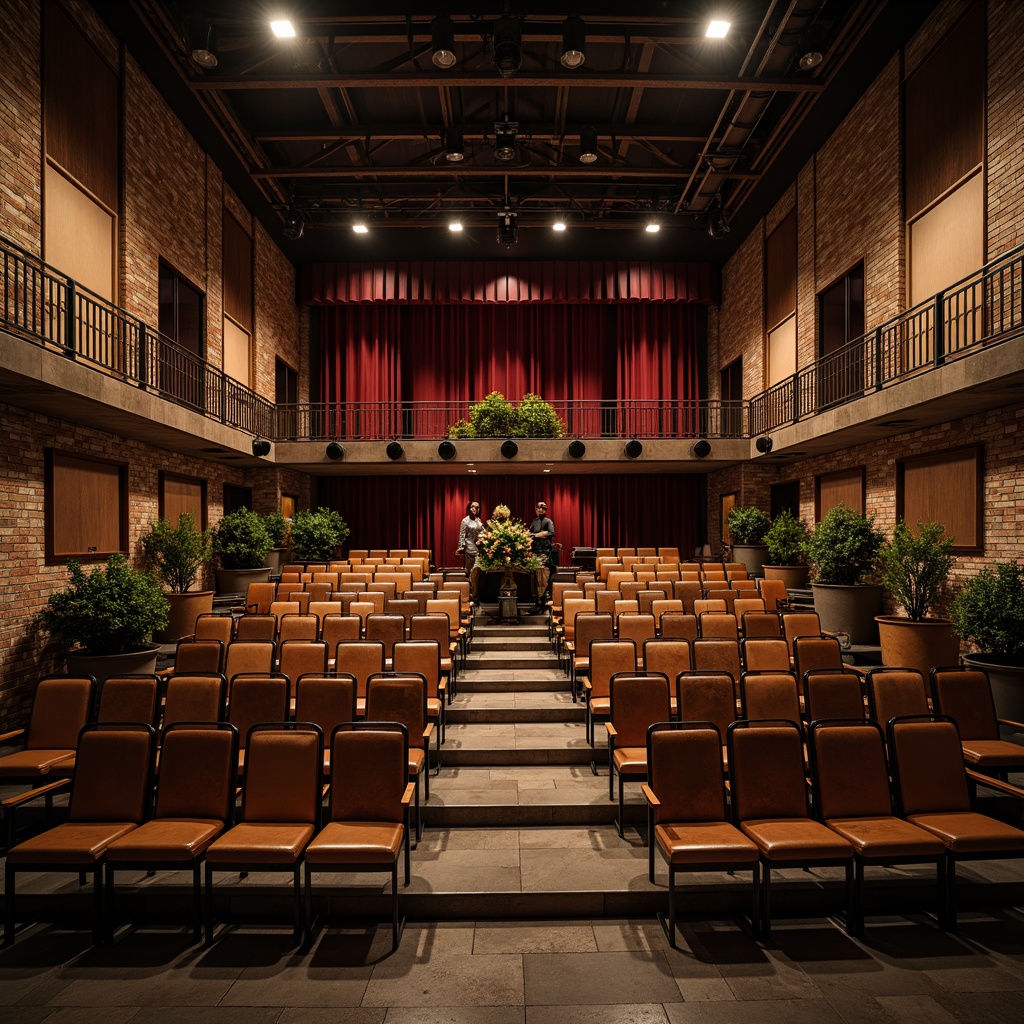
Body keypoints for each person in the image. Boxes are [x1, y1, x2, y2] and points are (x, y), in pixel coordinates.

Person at [528, 500, 556, 614]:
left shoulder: (548, 521)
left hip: (544, 553)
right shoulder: (534, 522)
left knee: (542, 578)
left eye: (543, 508)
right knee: (534, 578)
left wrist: (538, 535)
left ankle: (542, 603)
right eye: (539, 508)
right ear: (536, 510)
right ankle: (537, 602)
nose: (540, 510)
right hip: (534, 552)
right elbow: (529, 533)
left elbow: (551, 533)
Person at [456, 500, 485, 601]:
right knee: (471, 572)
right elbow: (462, 535)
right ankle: (471, 595)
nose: (475, 509)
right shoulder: (465, 521)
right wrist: (461, 547)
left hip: (479, 549)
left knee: (478, 573)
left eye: (477, 507)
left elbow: (483, 533)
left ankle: (477, 595)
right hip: (469, 549)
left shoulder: (479, 520)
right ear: (469, 508)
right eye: (473, 507)